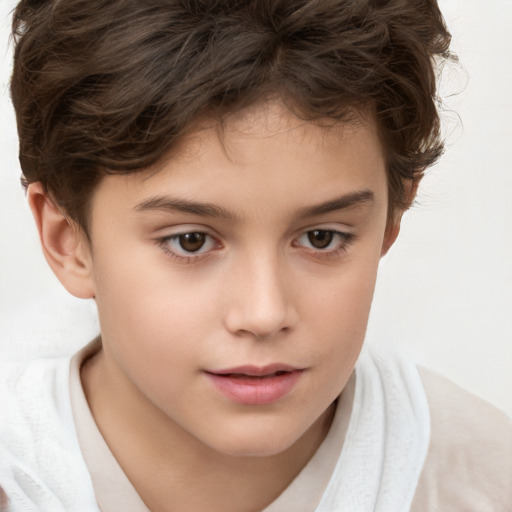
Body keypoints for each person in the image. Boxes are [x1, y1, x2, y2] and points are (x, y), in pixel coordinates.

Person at [1, 0, 510, 510]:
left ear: (392, 219)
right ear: (67, 239)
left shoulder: (483, 481)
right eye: (190, 241)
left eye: (321, 238)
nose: (263, 314)